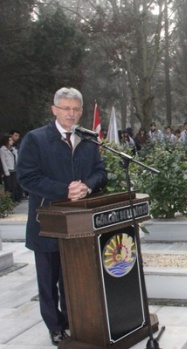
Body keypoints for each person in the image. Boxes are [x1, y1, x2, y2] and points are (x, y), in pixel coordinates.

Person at [16, 87, 108, 346]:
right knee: (49, 281)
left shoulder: (88, 140)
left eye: (76, 109)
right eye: (66, 108)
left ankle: (74, 320)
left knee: (74, 277)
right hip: (46, 224)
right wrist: (65, 190)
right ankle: (55, 326)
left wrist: (88, 186)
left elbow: (101, 172)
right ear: (54, 110)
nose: (71, 113)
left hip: (80, 224)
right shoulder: (36, 139)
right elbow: (27, 178)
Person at [1, 135, 20, 202]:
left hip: (14, 169)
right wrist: (5, 171)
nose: (12, 141)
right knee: (8, 186)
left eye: (12, 140)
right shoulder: (3, 149)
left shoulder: (13, 149)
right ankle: (8, 201)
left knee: (14, 186)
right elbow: (3, 160)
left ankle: (14, 199)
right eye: (10, 140)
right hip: (8, 169)